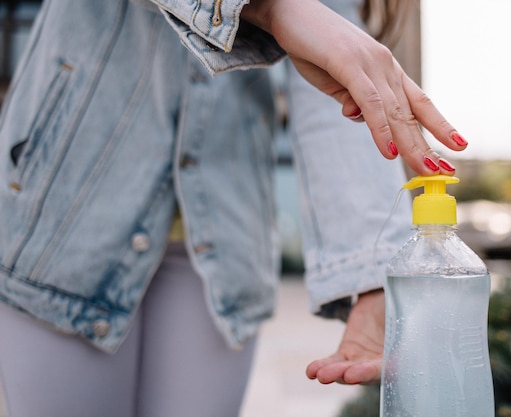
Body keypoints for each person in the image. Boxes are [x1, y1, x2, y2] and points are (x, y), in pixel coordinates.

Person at [0, 0, 467, 416]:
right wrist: (271, 8)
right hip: (65, 219)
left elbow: (334, 81)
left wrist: (369, 276)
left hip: (222, 236)